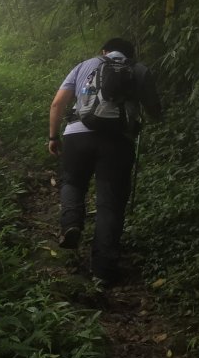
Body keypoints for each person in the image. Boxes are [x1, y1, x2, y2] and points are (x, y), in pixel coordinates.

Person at [47, 38, 162, 285]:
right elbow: (155, 111)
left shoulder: (83, 66)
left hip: (77, 135)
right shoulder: (139, 70)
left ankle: (71, 224)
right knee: (109, 205)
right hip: (118, 142)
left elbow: (57, 103)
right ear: (130, 55)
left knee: (73, 183)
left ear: (104, 52)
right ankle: (102, 271)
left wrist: (53, 136)